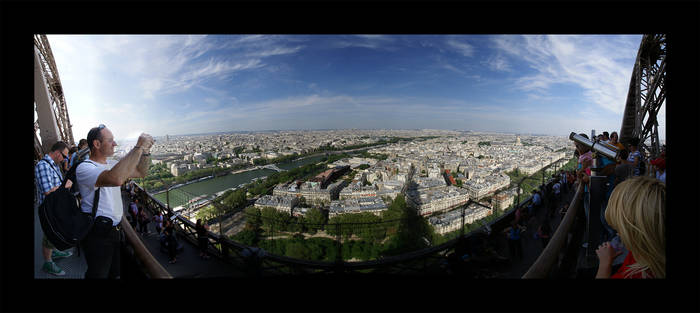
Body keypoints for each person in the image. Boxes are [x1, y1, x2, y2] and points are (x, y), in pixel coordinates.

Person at [76, 124, 154, 278]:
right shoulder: (85, 168)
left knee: (114, 274)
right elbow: (116, 179)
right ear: (97, 144)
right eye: (110, 140)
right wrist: (138, 147)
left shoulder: (111, 164)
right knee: (97, 275)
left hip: (114, 231)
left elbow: (141, 172)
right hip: (97, 234)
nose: (115, 144)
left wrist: (145, 152)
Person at [595, 176, 665, 278]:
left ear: (636, 232)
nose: (619, 235)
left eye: (619, 230)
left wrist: (604, 264)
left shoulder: (634, 275)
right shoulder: (643, 252)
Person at [35, 141, 74, 276]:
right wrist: (65, 187)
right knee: (49, 233)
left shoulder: (53, 165)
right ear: (57, 153)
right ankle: (48, 263)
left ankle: (53, 252)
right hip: (48, 209)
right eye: (64, 156)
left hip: (54, 206)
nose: (66, 159)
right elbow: (48, 192)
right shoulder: (43, 166)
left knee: (52, 232)